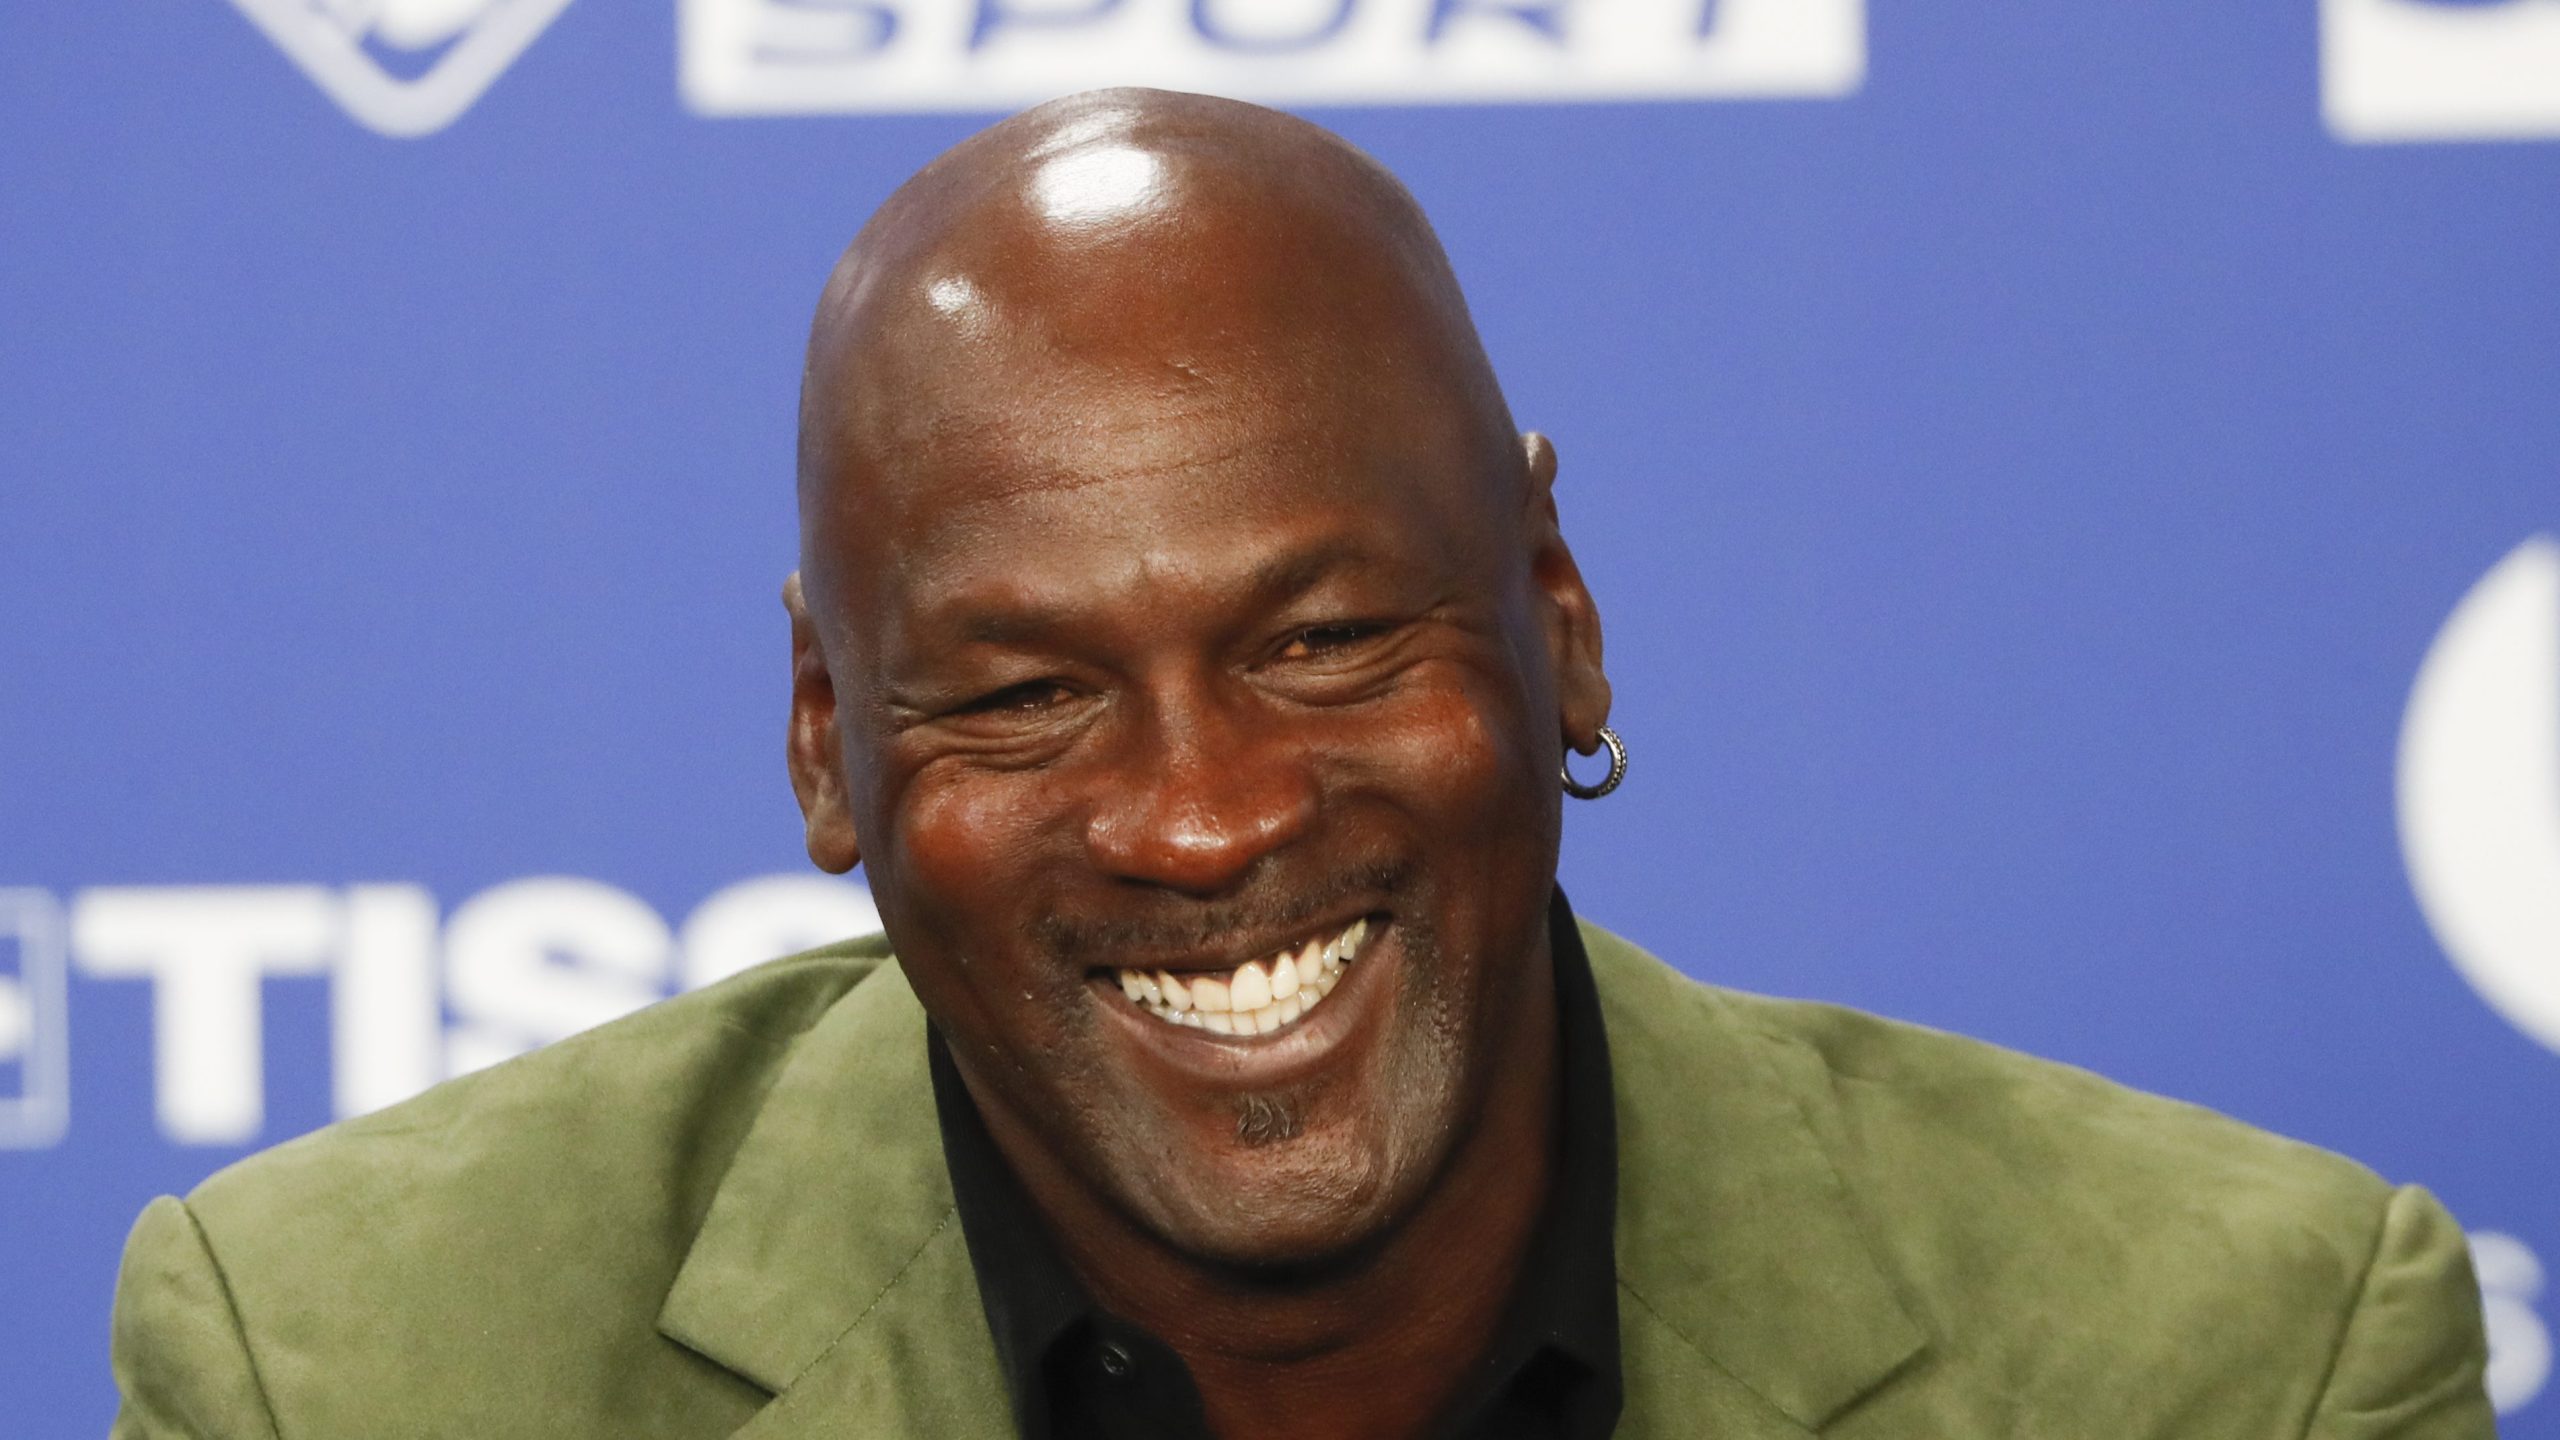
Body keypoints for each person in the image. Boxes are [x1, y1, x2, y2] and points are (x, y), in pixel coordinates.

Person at [108, 89, 2494, 1440]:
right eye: (1024, 694)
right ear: (827, 750)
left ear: (1553, 621)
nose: (1202, 811)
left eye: (1329, 639)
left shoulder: (2230, 1358)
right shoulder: (356, 1373)